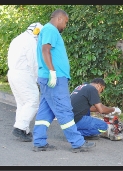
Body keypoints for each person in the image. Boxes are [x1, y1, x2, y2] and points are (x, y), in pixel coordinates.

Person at [33, 9, 95, 153]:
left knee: (45, 112)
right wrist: (53, 72)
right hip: (54, 79)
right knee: (64, 109)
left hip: (48, 78)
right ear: (60, 18)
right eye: (66, 22)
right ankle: (77, 142)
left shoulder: (48, 30)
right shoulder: (50, 29)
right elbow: (45, 50)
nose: (65, 26)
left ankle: (39, 141)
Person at [7, 22, 43, 142]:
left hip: (13, 73)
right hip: (24, 74)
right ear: (36, 32)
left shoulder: (18, 39)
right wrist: (39, 79)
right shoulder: (31, 41)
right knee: (33, 101)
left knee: (22, 103)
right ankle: (19, 127)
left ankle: (24, 130)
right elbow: (34, 63)